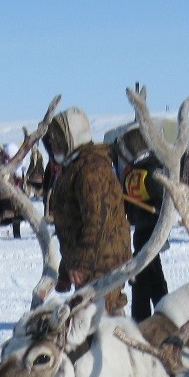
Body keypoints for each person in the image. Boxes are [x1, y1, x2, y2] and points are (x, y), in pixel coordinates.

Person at [43, 106, 132, 312]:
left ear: (71, 137)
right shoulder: (75, 168)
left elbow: (97, 221)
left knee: (102, 319)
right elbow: (74, 225)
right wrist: (67, 267)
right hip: (90, 262)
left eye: (58, 138)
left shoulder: (92, 169)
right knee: (90, 319)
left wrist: (80, 263)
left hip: (103, 262)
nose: (54, 144)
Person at [116, 125, 169, 321]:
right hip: (140, 228)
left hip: (153, 229)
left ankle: (155, 314)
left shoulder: (153, 169)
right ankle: (146, 315)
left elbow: (163, 199)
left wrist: (158, 212)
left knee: (147, 273)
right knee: (145, 274)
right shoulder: (133, 170)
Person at [0, 144, 22, 239]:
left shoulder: (8, 163)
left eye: (0, 154)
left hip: (11, 192)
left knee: (15, 214)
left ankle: (17, 234)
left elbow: (16, 175)